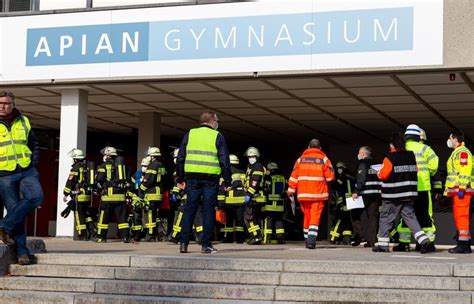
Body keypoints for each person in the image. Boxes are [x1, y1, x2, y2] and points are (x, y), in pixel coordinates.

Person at [176, 112, 232, 254]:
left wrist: (180, 178)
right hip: (210, 179)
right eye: (217, 120)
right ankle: (206, 245)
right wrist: (227, 180)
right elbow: (224, 161)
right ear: (212, 121)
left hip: (192, 178)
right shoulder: (217, 136)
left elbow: (181, 157)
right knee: (208, 211)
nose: (218, 123)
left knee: (190, 209)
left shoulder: (190, 134)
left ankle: (183, 244)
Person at [0, 90, 43, 265]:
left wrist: (34, 161)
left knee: (37, 197)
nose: (3, 106)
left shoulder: (24, 121)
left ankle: (4, 225)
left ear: (13, 104)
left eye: (7, 103)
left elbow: (34, 144)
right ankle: (22, 253)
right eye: (1, 103)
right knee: (15, 211)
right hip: (4, 174)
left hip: (26, 170)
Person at [373, 132, 431, 253]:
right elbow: (416, 170)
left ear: (393, 145)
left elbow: (384, 174)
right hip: (409, 195)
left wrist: (378, 173)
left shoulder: (389, 157)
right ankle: (424, 240)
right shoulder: (411, 156)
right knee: (410, 218)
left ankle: (383, 245)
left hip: (392, 196)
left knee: (386, 218)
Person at [393, 124, 438, 252]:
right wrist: (426, 172)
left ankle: (404, 243)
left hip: (406, 188)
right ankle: (426, 243)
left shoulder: (401, 149)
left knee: (406, 216)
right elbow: (434, 166)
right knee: (425, 217)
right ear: (418, 136)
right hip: (423, 187)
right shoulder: (426, 149)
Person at [287, 139, 335, 249]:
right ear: (320, 148)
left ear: (308, 147)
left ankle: (306, 238)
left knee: (307, 216)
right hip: (318, 194)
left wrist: (291, 191)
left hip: (303, 194)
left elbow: (293, 176)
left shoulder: (300, 160)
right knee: (315, 217)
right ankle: (311, 241)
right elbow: (330, 177)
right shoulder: (324, 159)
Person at [95, 146, 131, 243]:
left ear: (108, 156)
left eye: (105, 155)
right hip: (120, 197)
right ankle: (125, 237)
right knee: (122, 218)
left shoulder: (104, 166)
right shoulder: (123, 166)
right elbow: (127, 180)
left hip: (108, 197)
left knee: (103, 218)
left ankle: (101, 238)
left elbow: (99, 180)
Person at [444, 130, 472, 253]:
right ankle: (464, 243)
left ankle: (463, 245)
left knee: (462, 217)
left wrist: (461, 188)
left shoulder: (462, 152)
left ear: (455, 139)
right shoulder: (458, 152)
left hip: (462, 191)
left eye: (450, 138)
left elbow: (464, 171)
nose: (449, 141)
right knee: (459, 217)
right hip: (458, 191)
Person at [351, 146, 382, 248]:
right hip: (376, 194)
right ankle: (371, 241)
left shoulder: (362, 163)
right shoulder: (377, 164)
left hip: (364, 194)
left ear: (363, 154)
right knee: (372, 217)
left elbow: (361, 178)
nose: (358, 155)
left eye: (359, 153)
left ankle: (359, 236)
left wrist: (356, 191)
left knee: (355, 214)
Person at [63, 148, 96, 241]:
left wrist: (65, 193)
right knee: (86, 214)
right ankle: (92, 232)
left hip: (79, 195)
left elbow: (70, 182)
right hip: (87, 195)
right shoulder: (86, 167)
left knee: (78, 215)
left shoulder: (75, 168)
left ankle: (81, 235)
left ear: (75, 159)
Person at [138, 147, 166, 241]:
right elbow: (164, 178)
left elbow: (149, 180)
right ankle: (157, 234)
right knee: (155, 214)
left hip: (152, 192)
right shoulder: (161, 165)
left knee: (150, 214)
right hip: (159, 192)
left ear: (152, 156)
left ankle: (150, 236)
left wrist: (141, 189)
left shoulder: (152, 166)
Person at [219, 154, 246, 243]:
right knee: (239, 221)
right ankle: (240, 238)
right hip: (241, 201)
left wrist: (221, 201)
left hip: (229, 202)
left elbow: (222, 188)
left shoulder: (225, 173)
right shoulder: (243, 173)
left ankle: (229, 238)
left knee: (229, 221)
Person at [243, 146, 267, 245]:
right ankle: (256, 235)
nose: (251, 158)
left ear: (257, 157)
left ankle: (256, 236)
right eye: (249, 157)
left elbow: (255, 182)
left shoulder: (257, 167)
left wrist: (249, 194)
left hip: (256, 196)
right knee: (252, 217)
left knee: (249, 217)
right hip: (255, 196)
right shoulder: (250, 167)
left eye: (253, 156)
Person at [329, 162, 355, 245]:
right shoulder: (351, 178)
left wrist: (339, 203)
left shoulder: (342, 179)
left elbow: (339, 190)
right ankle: (347, 239)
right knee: (347, 221)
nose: (338, 170)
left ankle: (333, 238)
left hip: (343, 203)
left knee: (338, 221)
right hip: (351, 203)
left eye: (340, 168)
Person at [262, 162, 286, 244]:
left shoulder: (269, 178)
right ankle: (280, 238)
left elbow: (265, 189)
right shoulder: (282, 178)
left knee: (268, 221)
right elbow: (286, 191)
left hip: (269, 204)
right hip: (280, 205)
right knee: (279, 221)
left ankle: (267, 239)